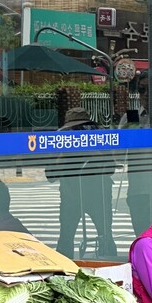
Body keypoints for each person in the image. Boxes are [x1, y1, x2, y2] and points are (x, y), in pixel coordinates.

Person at [45, 107, 117, 259]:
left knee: (105, 235)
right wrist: (62, 156)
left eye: (82, 128)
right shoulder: (61, 143)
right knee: (66, 236)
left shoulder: (98, 139)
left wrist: (96, 155)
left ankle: (112, 263)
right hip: (71, 196)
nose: (78, 133)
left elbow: (110, 167)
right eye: (74, 129)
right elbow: (50, 174)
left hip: (99, 195)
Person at [118, 71, 151, 235]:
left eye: (149, 90)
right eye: (141, 90)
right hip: (138, 190)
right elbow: (118, 156)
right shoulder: (131, 118)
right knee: (142, 238)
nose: (145, 95)